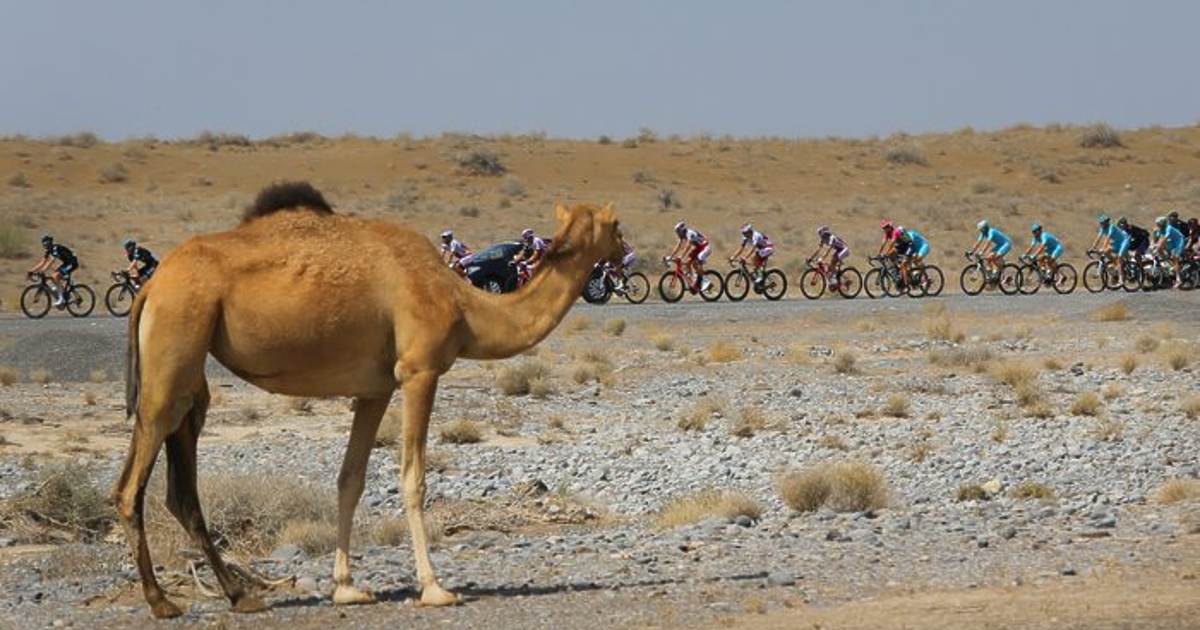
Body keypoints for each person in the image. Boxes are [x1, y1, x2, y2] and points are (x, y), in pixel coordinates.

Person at [28, 234, 79, 307]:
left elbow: (51, 261)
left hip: (73, 262)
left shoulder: (55, 248)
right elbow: (42, 263)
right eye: (44, 244)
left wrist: (42, 271)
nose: (45, 246)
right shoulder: (48, 251)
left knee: (55, 277)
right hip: (67, 262)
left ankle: (62, 299)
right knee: (53, 277)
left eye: (46, 244)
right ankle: (68, 283)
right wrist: (31, 271)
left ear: (50, 243)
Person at [666, 221, 712, 290]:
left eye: (678, 231)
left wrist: (681, 256)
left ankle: (706, 281)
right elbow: (677, 247)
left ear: (682, 230)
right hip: (699, 248)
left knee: (698, 260)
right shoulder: (682, 236)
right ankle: (692, 281)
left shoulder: (689, 233)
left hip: (706, 247)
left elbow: (688, 246)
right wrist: (670, 257)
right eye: (676, 232)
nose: (677, 233)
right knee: (688, 263)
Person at [1089, 215, 1129, 285]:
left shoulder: (1111, 227)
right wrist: (1092, 248)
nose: (1101, 224)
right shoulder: (1102, 229)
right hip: (1116, 243)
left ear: (1106, 222)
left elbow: (1107, 238)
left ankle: (1121, 279)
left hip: (1124, 241)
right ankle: (1116, 264)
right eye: (1100, 223)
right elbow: (1098, 238)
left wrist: (1103, 248)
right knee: (1106, 252)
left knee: (1119, 258)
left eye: (1102, 223)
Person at [1151, 216, 1185, 288]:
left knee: (1174, 257)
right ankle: (1171, 264)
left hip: (1179, 242)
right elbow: (1159, 239)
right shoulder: (1160, 229)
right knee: (1160, 250)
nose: (1157, 225)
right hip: (1171, 242)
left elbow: (1164, 239)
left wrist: (1157, 248)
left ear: (1162, 224)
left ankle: (1179, 280)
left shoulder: (1168, 228)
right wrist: (1155, 246)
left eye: (1158, 224)